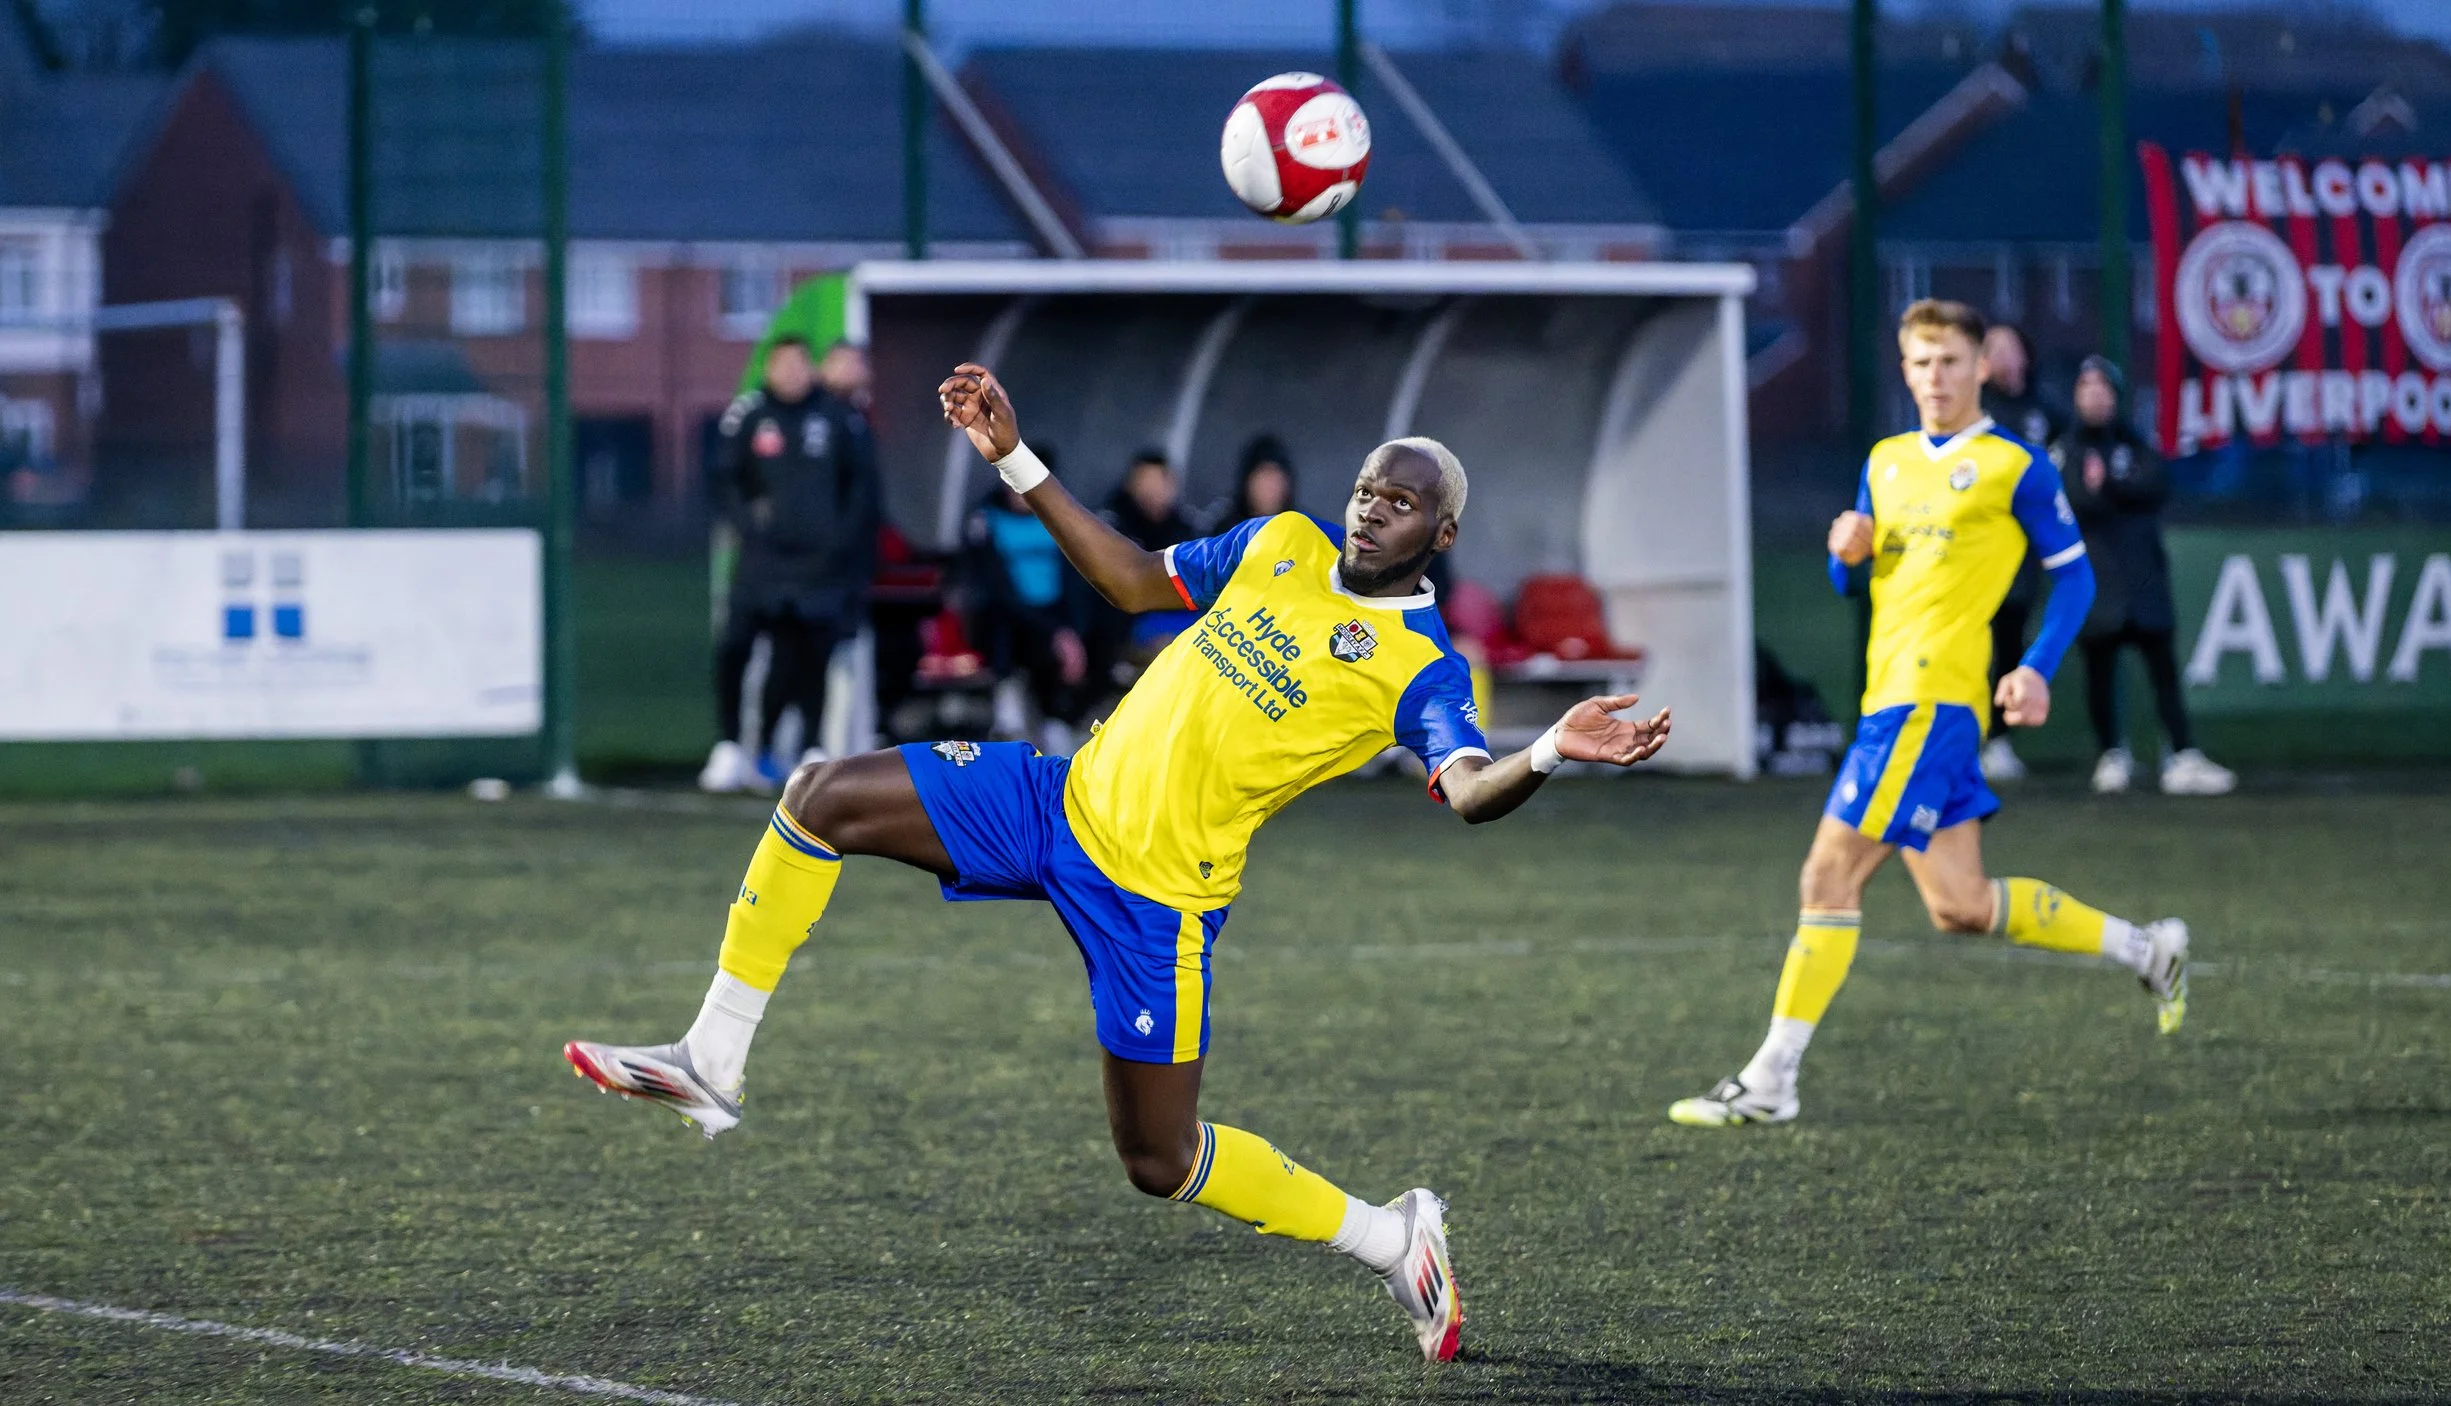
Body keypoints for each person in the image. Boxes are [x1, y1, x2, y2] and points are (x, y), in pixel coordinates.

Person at [564, 361, 1672, 1363]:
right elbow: (1135, 581)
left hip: (1157, 904)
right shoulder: (1279, 541)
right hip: (1061, 800)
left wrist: (1546, 748)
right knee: (819, 796)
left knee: (1158, 1157)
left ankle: (1391, 1235)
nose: (1374, 509)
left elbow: (1470, 789)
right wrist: (1014, 456)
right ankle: (712, 1055)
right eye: (1369, 489)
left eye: (1403, 501)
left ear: (1440, 532)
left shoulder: (1422, 669)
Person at [1668, 299, 2189, 1131]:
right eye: (1920, 363)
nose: (1935, 378)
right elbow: (1861, 582)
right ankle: (2146, 946)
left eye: (1950, 361)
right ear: (1903, 369)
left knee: (1827, 876)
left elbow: (2075, 578)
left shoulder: (2015, 465)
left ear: (1982, 364)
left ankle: (1771, 1079)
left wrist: (2035, 667)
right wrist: (1845, 560)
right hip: (1890, 697)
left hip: (1933, 700)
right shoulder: (1885, 460)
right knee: (1961, 904)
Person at [701, 336, 884, 792]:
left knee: (806, 656)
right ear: (768, 368)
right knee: (735, 646)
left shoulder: (839, 418)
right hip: (761, 563)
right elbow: (724, 479)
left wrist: (839, 539)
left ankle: (807, 749)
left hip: (821, 566)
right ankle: (730, 748)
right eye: (781, 365)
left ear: (812, 369)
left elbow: (862, 487)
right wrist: (749, 524)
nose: (791, 374)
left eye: (799, 364)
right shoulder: (748, 414)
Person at [2052, 356, 2236, 797]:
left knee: (2163, 670)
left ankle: (2182, 755)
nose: (2095, 395)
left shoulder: (2137, 443)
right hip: (2093, 581)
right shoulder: (2063, 450)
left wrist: (2111, 486)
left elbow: (2154, 486)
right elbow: (2076, 501)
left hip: (2144, 577)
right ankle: (2111, 754)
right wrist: (2107, 492)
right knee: (2099, 672)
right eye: (2086, 387)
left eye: (2103, 387)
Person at [1975, 323, 2063, 784]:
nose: (2006, 360)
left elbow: (2064, 457)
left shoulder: (2044, 411)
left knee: (2009, 644)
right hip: (1970, 558)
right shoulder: (1972, 413)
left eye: (2013, 349)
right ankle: (1956, 740)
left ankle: (1998, 742)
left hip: (2021, 559)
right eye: (1995, 351)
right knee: (1965, 650)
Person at [961, 446, 1091, 758]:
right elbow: (990, 587)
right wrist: (1056, 633)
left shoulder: (1063, 520)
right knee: (1006, 623)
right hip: (1008, 617)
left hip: (1053, 615)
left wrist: (1072, 630)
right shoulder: (985, 520)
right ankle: (1009, 715)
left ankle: (1059, 722)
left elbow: (1078, 582)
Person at [1097, 449, 1202, 663]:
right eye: (1146, 481)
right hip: (1120, 629)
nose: (1153, 490)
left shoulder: (1189, 529)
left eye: (1160, 481)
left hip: (1172, 628)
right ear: (1130, 484)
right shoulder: (1110, 526)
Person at [1213, 433, 1298, 532]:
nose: (1271, 487)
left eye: (1277, 479)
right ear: (1248, 482)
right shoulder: (1226, 534)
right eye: (1265, 477)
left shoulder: (1300, 530)